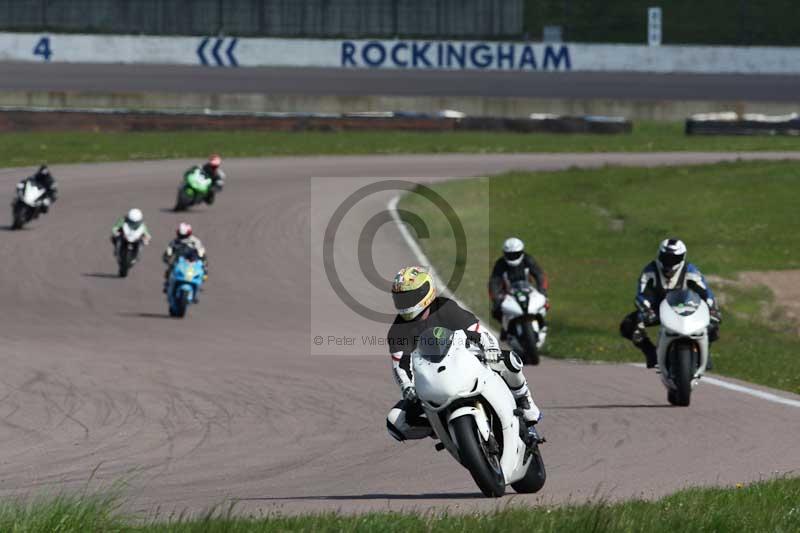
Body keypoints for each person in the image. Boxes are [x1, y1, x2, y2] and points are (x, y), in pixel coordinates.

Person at [386, 265, 543, 443]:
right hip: (431, 380)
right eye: (400, 299)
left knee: (508, 361)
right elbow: (400, 365)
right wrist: (407, 386)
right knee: (394, 422)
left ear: (426, 291)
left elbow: (479, 332)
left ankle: (524, 401)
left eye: (410, 297)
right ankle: (440, 429)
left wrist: (491, 349)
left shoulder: (445, 308)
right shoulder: (397, 331)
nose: (405, 303)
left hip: (465, 359)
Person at [619, 238, 721, 369]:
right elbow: (641, 295)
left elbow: (706, 293)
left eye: (674, 259)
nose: (669, 263)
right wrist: (646, 309)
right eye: (666, 258)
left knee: (713, 323)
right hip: (658, 310)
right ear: (659, 255)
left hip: (686, 308)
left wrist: (712, 308)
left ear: (682, 258)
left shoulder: (691, 271)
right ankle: (651, 353)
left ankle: (704, 352)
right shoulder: (650, 271)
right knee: (628, 325)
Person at [488, 237, 549, 339]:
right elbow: (494, 281)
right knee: (496, 311)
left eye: (515, 254)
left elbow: (540, 275)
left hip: (528, 290)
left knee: (545, 303)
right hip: (508, 293)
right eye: (509, 255)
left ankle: (542, 324)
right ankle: (506, 328)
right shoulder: (500, 264)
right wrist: (496, 298)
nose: (512, 257)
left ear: (521, 252)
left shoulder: (527, 259)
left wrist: (542, 290)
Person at [162, 222, 208, 294]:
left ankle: (197, 284)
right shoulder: (175, 242)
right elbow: (169, 251)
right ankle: (168, 284)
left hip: (192, 262)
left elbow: (201, 251)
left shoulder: (195, 241)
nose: (182, 238)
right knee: (169, 270)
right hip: (179, 262)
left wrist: (203, 259)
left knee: (204, 271)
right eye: (181, 235)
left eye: (184, 235)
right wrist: (167, 257)